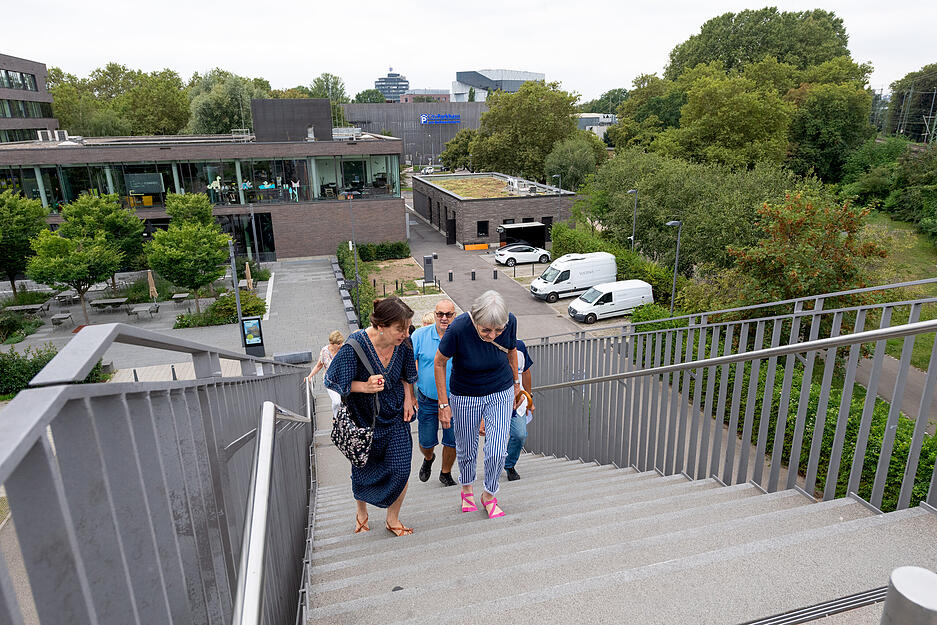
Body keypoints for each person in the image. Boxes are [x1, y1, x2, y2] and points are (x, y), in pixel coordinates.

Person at [324, 297, 418, 536]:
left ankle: (392, 519)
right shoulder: (355, 345)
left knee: (401, 467)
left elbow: (408, 374)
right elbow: (333, 382)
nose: (406, 334)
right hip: (363, 418)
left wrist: (409, 398)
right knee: (363, 468)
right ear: (381, 326)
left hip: (395, 414)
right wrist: (363, 386)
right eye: (400, 329)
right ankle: (362, 513)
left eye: (407, 328)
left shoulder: (404, 343)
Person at [435, 290, 523, 519]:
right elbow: (439, 363)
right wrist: (444, 405)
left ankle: (490, 494)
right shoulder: (458, 328)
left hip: (500, 390)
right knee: (466, 448)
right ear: (474, 318)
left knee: (496, 451)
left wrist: (516, 383)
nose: (493, 335)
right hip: (465, 394)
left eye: (498, 330)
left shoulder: (510, 321)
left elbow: (512, 351)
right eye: (486, 330)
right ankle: (466, 487)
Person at [411, 299, 457, 487]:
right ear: (435, 314)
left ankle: (445, 473)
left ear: (454, 316)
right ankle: (429, 458)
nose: (444, 318)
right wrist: (410, 396)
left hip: (455, 400)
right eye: (440, 314)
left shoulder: (460, 337)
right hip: (427, 400)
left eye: (448, 314)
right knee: (426, 442)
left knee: (452, 441)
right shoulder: (420, 336)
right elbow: (407, 369)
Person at [505, 339, 534, 481]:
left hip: (518, 401)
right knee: (493, 439)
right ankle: (492, 464)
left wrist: (530, 398)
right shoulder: (488, 345)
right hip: (495, 402)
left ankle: (509, 464)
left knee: (520, 434)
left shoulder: (520, 346)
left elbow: (526, 372)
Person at [307, 330, 344, 417]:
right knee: (336, 401)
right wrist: (310, 376)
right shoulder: (324, 351)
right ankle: (335, 417)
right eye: (338, 344)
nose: (341, 345)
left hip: (342, 379)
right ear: (332, 343)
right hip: (329, 380)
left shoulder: (343, 350)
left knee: (344, 401)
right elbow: (319, 365)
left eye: (341, 342)